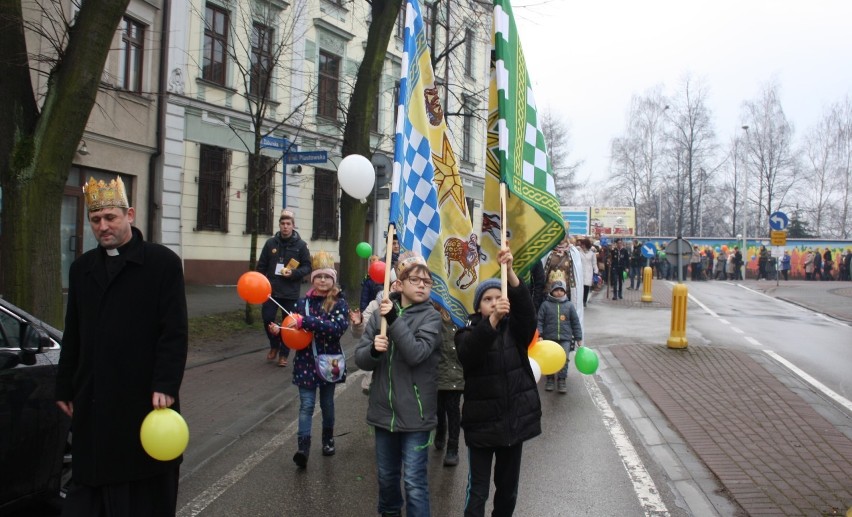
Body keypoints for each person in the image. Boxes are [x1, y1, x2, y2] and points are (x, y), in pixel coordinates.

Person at [56, 176, 188, 516]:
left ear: (129, 214)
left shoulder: (162, 264)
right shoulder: (82, 269)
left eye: (110, 217)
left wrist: (165, 383)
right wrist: (64, 385)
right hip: (94, 400)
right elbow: (74, 332)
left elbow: (173, 331)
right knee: (90, 493)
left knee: (142, 493)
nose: (102, 226)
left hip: (142, 398)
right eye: (95, 220)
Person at [455, 246, 541, 517]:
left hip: (513, 423)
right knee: (478, 490)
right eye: (487, 299)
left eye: (498, 297)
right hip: (481, 425)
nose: (493, 302)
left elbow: (527, 313)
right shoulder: (466, 332)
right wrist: (491, 322)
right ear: (478, 307)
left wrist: (512, 274)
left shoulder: (516, 331)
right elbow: (470, 353)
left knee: (508, 491)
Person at [355, 255, 442, 517]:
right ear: (399, 284)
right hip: (384, 413)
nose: (422, 285)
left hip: (416, 415)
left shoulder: (432, 318)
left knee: (414, 483)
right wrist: (373, 350)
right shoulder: (381, 314)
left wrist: (393, 320)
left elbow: (416, 353)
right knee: (386, 478)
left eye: (427, 281)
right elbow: (361, 359)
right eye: (415, 280)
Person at [269, 251, 349, 467]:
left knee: (327, 404)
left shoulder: (338, 303)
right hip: (305, 363)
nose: (322, 280)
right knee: (305, 406)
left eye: (327, 277)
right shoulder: (301, 303)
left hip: (329, 362)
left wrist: (307, 322)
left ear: (333, 279)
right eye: (318, 277)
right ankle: (303, 447)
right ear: (312, 279)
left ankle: (328, 439)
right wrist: (281, 330)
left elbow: (337, 328)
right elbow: (292, 329)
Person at [257, 209, 312, 367]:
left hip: (290, 292)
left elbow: (307, 267)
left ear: (293, 226)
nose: (285, 227)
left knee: (288, 324)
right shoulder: (270, 244)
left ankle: (283, 354)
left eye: (288, 224)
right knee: (268, 319)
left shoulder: (301, 246)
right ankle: (274, 345)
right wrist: (259, 282)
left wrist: (294, 273)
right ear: (279, 225)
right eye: (282, 224)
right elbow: (261, 266)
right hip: (271, 291)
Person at [536, 279, 583, 394]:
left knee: (564, 359)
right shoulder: (545, 305)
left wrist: (578, 338)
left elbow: (575, 322)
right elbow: (540, 321)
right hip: (549, 338)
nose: (559, 292)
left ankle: (562, 380)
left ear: (564, 291)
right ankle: (550, 379)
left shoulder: (569, 305)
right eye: (556, 290)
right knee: (549, 358)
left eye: (561, 290)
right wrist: (540, 335)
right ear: (551, 291)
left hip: (565, 338)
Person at [433, 304, 464, 467]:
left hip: (456, 373)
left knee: (453, 410)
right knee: (438, 408)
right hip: (438, 372)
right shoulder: (434, 317)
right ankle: (440, 430)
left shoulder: (462, 318)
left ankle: (453, 448)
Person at [578, 237, 599, 307]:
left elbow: (594, 263)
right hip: (580, 271)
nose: (582, 246)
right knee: (580, 287)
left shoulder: (592, 253)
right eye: (582, 244)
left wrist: (596, 270)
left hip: (588, 272)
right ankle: (580, 300)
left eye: (584, 244)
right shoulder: (579, 251)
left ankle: (584, 301)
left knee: (586, 287)